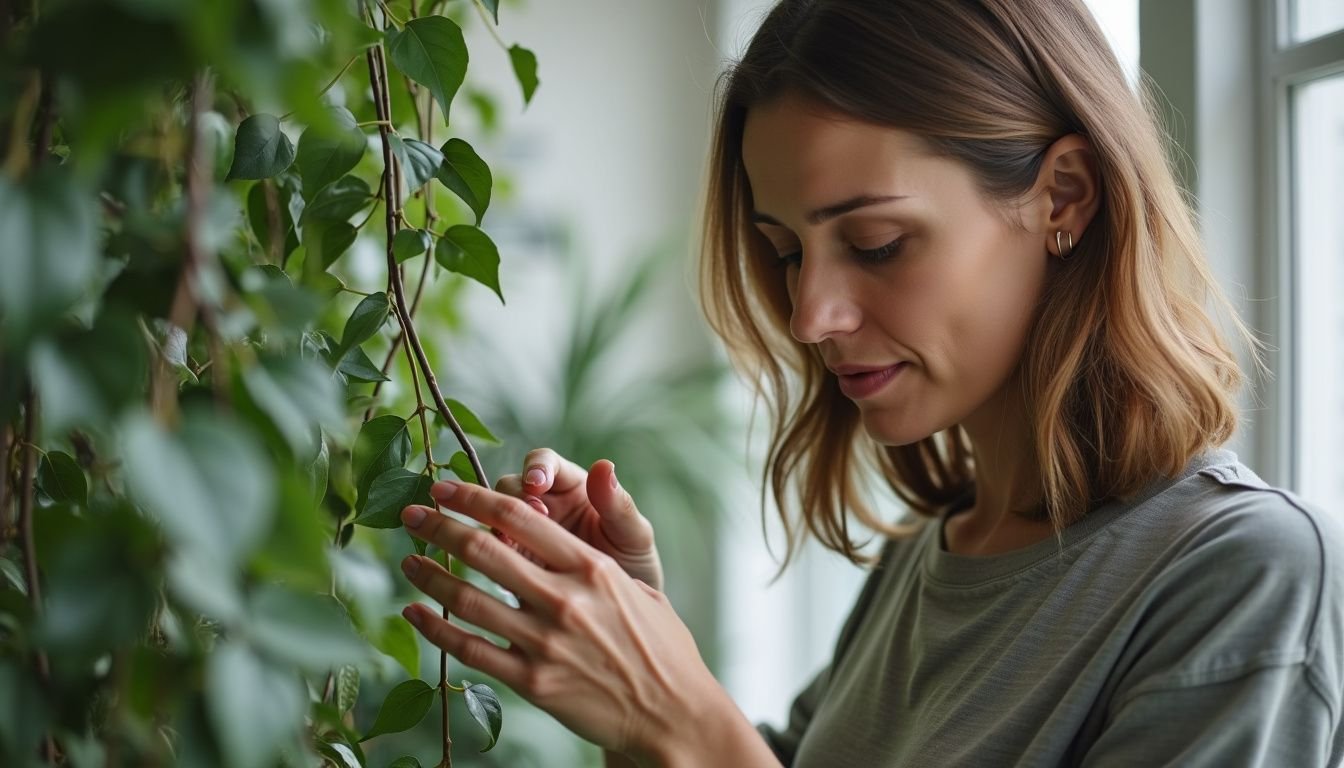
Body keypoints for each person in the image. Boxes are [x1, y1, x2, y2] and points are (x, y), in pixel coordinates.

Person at [395, 0, 1344, 765]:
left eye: (877, 244)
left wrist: (680, 720)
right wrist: (643, 658)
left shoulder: (1242, 577)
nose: (811, 317)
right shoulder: (932, 557)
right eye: (785, 252)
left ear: (1065, 196)